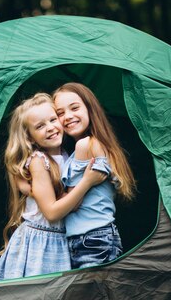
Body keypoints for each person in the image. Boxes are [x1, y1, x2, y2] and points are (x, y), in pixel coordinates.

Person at [0, 93, 106, 281]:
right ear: (31, 138)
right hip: (39, 241)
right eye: (40, 126)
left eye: (53, 120)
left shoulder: (68, 156)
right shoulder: (39, 161)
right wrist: (87, 181)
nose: (50, 128)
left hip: (61, 240)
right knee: (33, 298)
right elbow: (52, 213)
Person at [53, 82, 136, 269]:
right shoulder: (97, 144)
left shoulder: (85, 145)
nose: (68, 116)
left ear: (90, 109)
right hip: (96, 237)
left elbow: (73, 204)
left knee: (93, 297)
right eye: (60, 113)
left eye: (74, 108)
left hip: (91, 239)